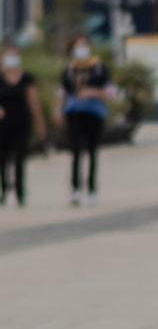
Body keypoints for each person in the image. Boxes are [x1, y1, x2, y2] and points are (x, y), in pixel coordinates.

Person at [60, 36, 113, 207]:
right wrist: (57, 109)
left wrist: (92, 92)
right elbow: (62, 92)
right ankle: (75, 190)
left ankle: (92, 190)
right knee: (76, 151)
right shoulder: (69, 69)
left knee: (92, 152)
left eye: (84, 45)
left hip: (94, 113)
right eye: (77, 46)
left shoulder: (99, 68)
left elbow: (110, 92)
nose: (81, 49)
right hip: (74, 113)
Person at [0, 44, 43, 207]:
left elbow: (33, 101)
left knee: (19, 158)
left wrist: (39, 123)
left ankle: (20, 192)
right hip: (2, 124)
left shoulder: (27, 77)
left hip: (22, 122)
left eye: (14, 55)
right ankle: (3, 190)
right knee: (2, 158)